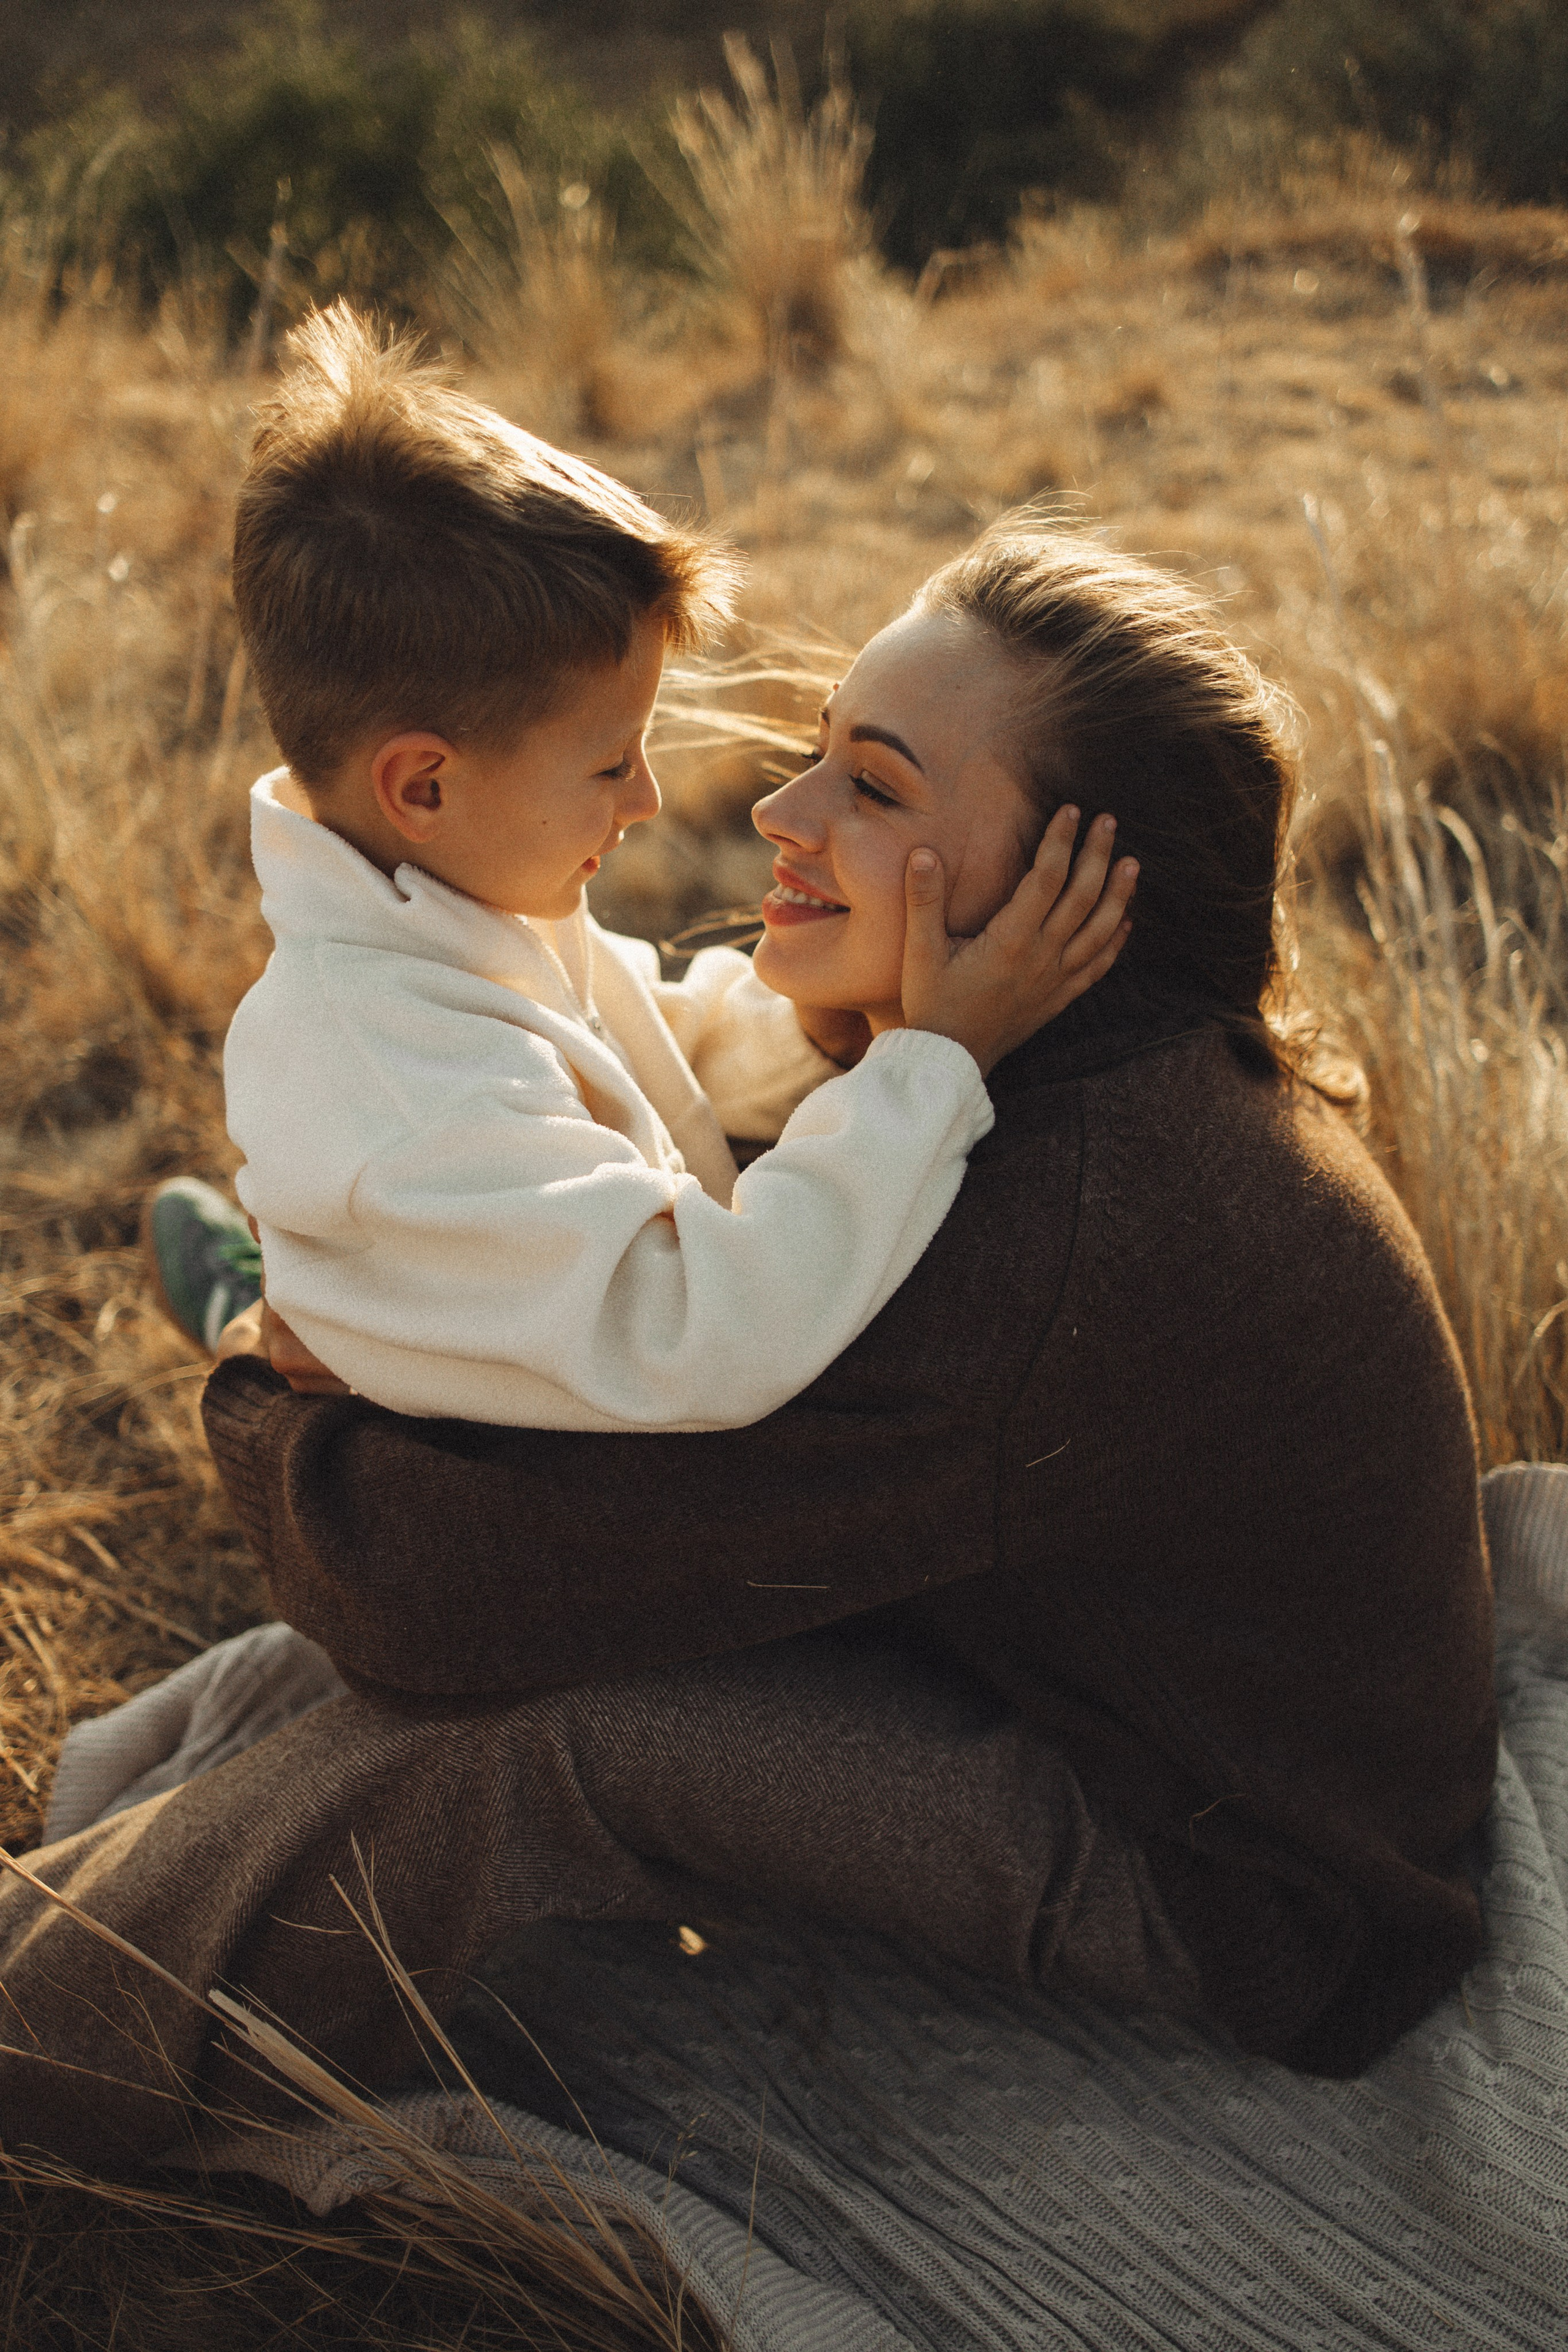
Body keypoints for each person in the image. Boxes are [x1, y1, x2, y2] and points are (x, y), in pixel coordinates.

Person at [0, 528, 1496, 2173]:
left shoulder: (1067, 1234)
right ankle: (106, 1889)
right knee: (570, 1558)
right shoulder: (1092, 1087)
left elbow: (448, 1601)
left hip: (1238, 1887)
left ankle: (42, 2060)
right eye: (813, 756)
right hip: (1085, 1681)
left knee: (547, 1732)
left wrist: (281, 1397)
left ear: (1083, 893)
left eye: (875, 785)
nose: (779, 817)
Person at [215, 301, 1133, 1433]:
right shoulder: (405, 1095)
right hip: (508, 1547)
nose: (648, 800)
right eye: (610, 764)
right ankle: (242, 1316)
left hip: (486, 1341)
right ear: (424, 787)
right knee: (297, 1364)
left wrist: (830, 1030)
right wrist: (932, 1069)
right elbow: (703, 1332)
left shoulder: (455, 898)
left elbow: (648, 1037)